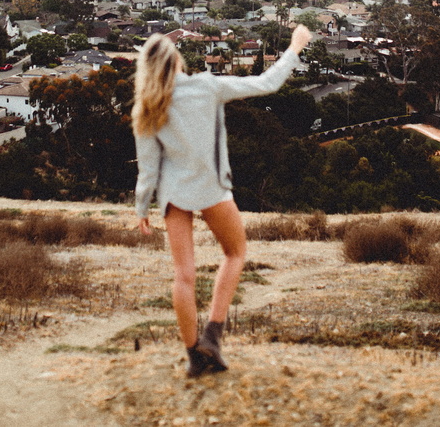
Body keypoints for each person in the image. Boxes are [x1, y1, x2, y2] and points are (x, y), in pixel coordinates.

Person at [133, 23, 312, 377]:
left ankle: (194, 356)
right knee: (235, 253)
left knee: (183, 276)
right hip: (212, 186)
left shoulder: (148, 106)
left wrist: (142, 208)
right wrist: (295, 47)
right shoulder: (207, 86)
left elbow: (148, 169)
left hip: (173, 195)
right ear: (177, 59)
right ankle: (212, 335)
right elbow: (266, 83)